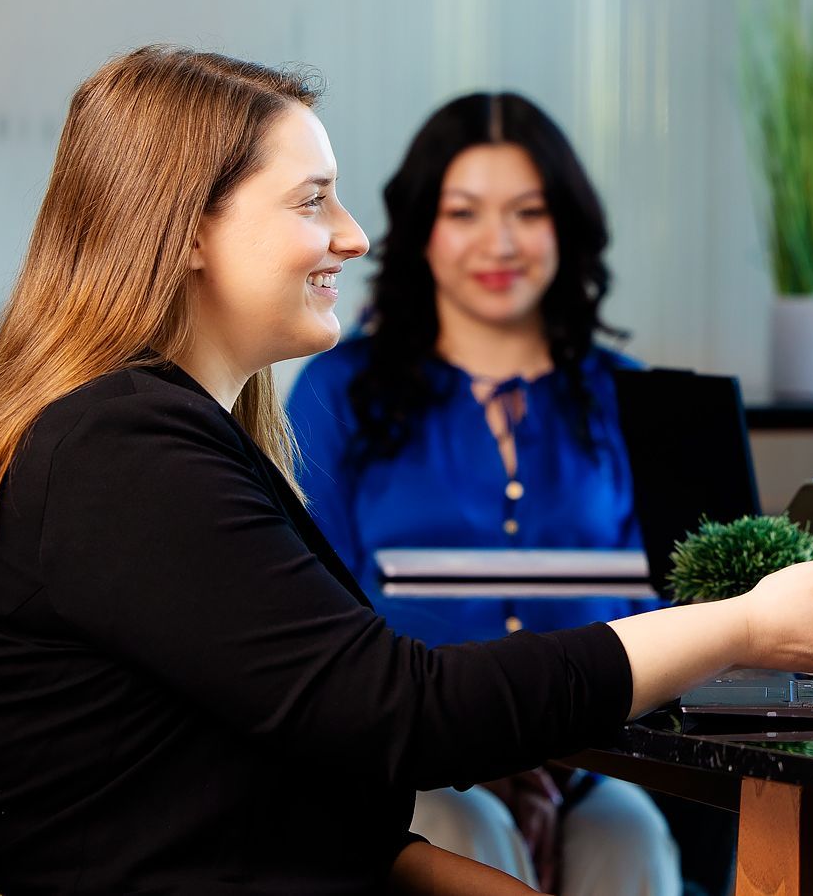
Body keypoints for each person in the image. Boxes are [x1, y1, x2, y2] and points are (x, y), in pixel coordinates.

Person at [0, 46, 813, 896]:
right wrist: (743, 627)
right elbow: (395, 710)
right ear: (189, 229)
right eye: (313, 199)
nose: (353, 236)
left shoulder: (154, 436)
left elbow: (263, 784)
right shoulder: (120, 451)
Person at [285, 94, 678, 895]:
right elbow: (314, 609)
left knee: (630, 836)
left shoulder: (634, 398)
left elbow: (676, 602)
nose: (499, 243)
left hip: (600, 759)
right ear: (422, 229)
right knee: (468, 833)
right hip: (411, 760)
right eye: (464, 212)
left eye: (527, 212)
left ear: (564, 226)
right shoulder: (337, 390)